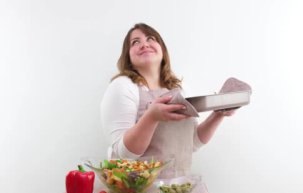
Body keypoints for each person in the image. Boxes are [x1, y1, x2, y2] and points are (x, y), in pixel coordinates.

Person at [100, 23, 235, 178]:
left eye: (151, 39)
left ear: (162, 50)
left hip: (175, 187)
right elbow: (124, 154)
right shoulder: (122, 86)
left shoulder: (181, 88)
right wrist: (151, 117)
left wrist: (218, 115)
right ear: (128, 56)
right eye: (135, 42)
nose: (144, 44)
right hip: (135, 191)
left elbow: (190, 144)